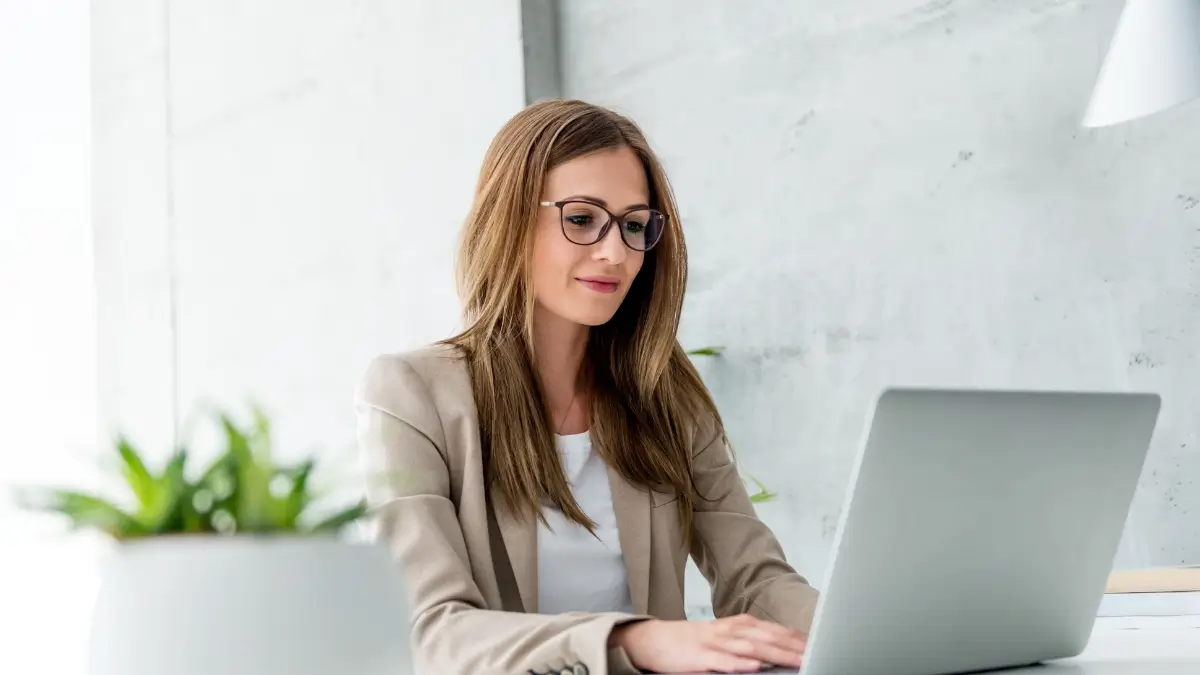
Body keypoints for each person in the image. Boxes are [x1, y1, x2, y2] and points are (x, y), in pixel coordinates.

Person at [356, 99, 819, 675]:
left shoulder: (664, 394)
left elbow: (756, 582)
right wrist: (633, 641)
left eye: (633, 225)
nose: (615, 252)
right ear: (509, 218)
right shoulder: (411, 394)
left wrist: (862, 631)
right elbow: (431, 631)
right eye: (580, 219)